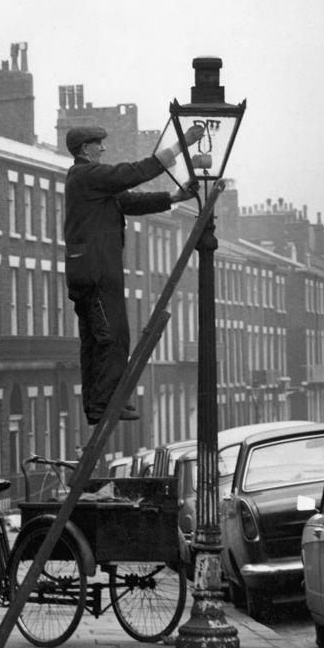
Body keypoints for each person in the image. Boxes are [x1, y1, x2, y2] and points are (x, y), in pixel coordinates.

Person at [63, 123, 203, 425]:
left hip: (90, 272)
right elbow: (134, 172)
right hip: (96, 275)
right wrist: (182, 144)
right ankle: (106, 403)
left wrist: (173, 198)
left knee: (96, 341)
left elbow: (130, 202)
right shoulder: (87, 175)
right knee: (113, 337)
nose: (103, 148)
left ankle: (97, 404)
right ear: (86, 149)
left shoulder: (92, 184)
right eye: (99, 144)